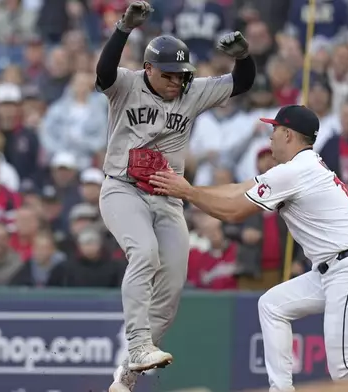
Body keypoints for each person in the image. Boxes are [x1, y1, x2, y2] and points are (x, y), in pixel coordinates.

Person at [148, 105, 348, 391]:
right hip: (340, 266)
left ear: (288, 134)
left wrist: (187, 192)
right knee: (272, 305)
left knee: (344, 368)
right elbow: (239, 189)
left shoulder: (296, 171)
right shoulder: (301, 167)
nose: (270, 137)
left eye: (274, 130)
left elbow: (233, 211)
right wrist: (188, 188)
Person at [95, 1, 255, 389]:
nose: (176, 82)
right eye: (168, 75)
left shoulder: (192, 92)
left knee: (171, 287)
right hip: (122, 188)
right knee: (144, 253)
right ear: (149, 68)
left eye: (182, 75)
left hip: (168, 198)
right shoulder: (128, 84)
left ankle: (127, 378)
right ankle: (136, 344)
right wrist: (122, 30)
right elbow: (102, 74)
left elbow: (241, 83)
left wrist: (244, 56)